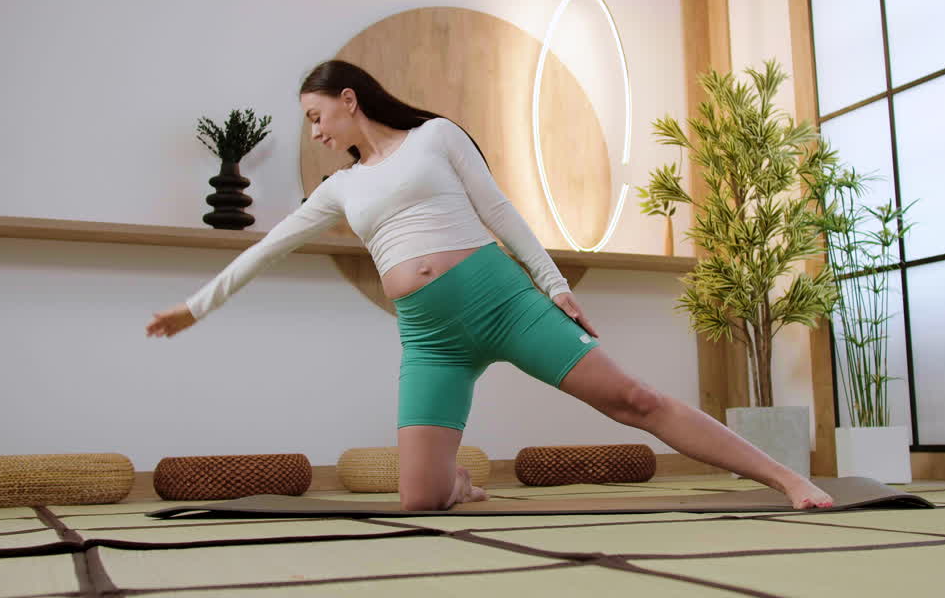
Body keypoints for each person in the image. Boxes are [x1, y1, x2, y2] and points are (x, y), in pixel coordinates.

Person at [146, 60, 835, 512]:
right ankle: (459, 485)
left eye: (316, 115)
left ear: (348, 100)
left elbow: (499, 211)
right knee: (419, 499)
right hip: (430, 340)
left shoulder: (435, 137)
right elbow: (269, 247)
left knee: (634, 398)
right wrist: (195, 308)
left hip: (501, 301)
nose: (316, 131)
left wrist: (553, 285)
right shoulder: (341, 189)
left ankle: (785, 479)